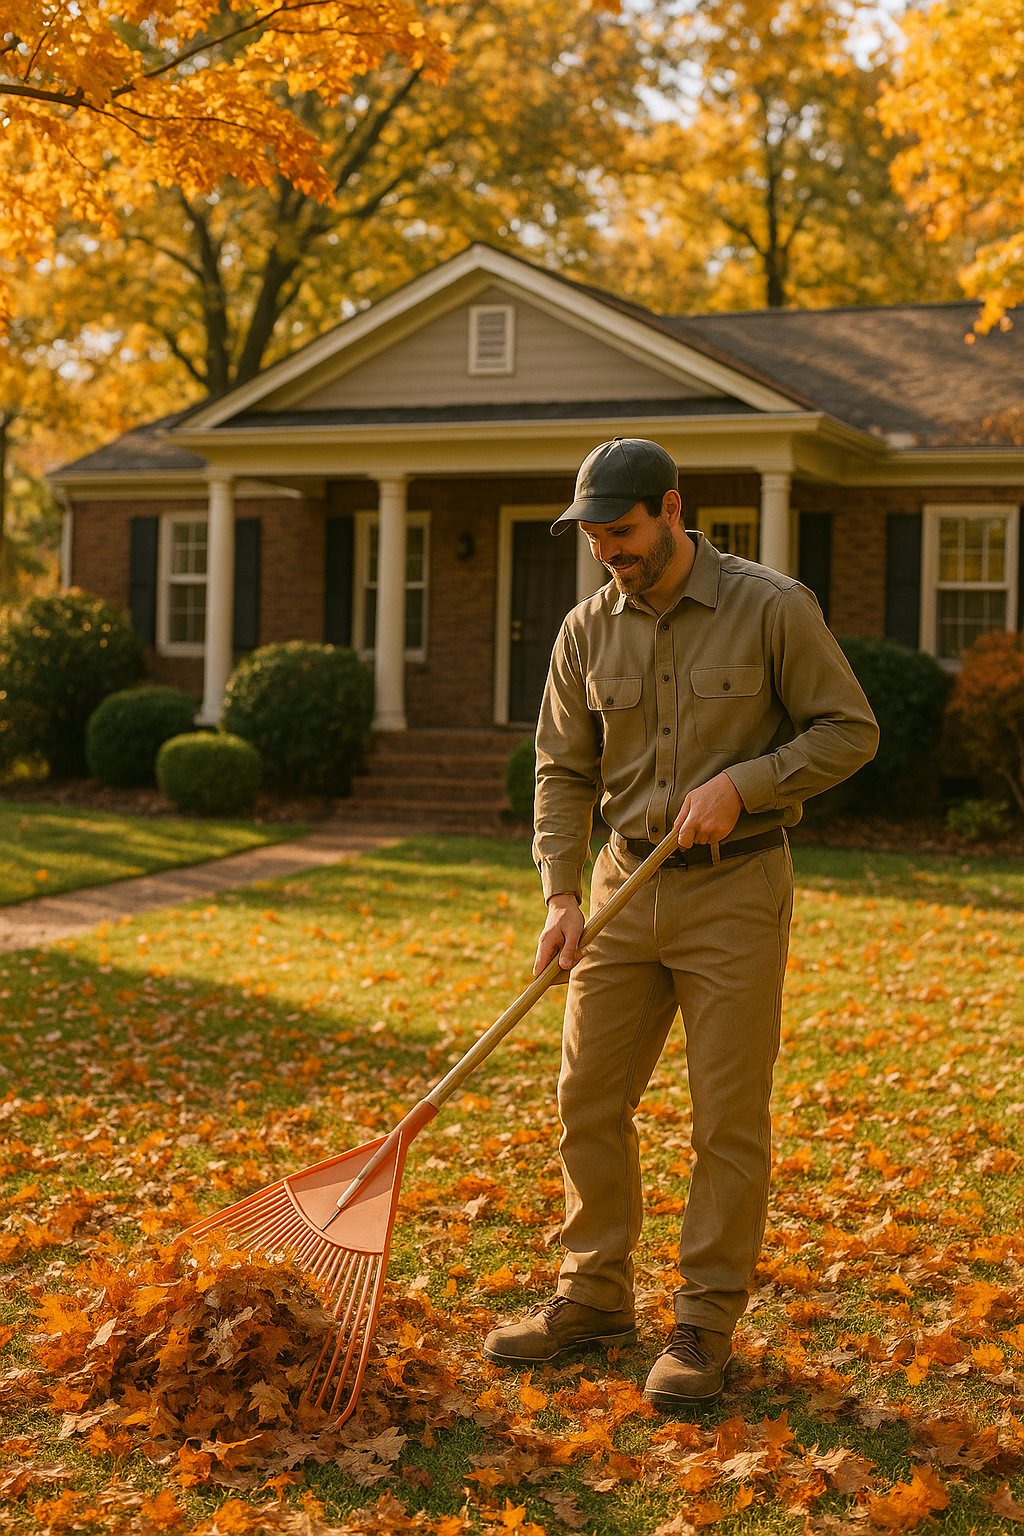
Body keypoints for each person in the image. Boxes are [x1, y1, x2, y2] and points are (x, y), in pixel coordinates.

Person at [482, 437, 879, 1410]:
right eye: (592, 540)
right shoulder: (584, 631)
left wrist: (746, 786)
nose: (607, 554)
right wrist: (561, 894)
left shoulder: (772, 607)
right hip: (619, 892)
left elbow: (849, 730)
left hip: (734, 893)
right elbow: (562, 772)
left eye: (620, 533)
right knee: (586, 1100)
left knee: (725, 1120)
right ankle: (592, 1297)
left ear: (669, 508)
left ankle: (702, 1324)